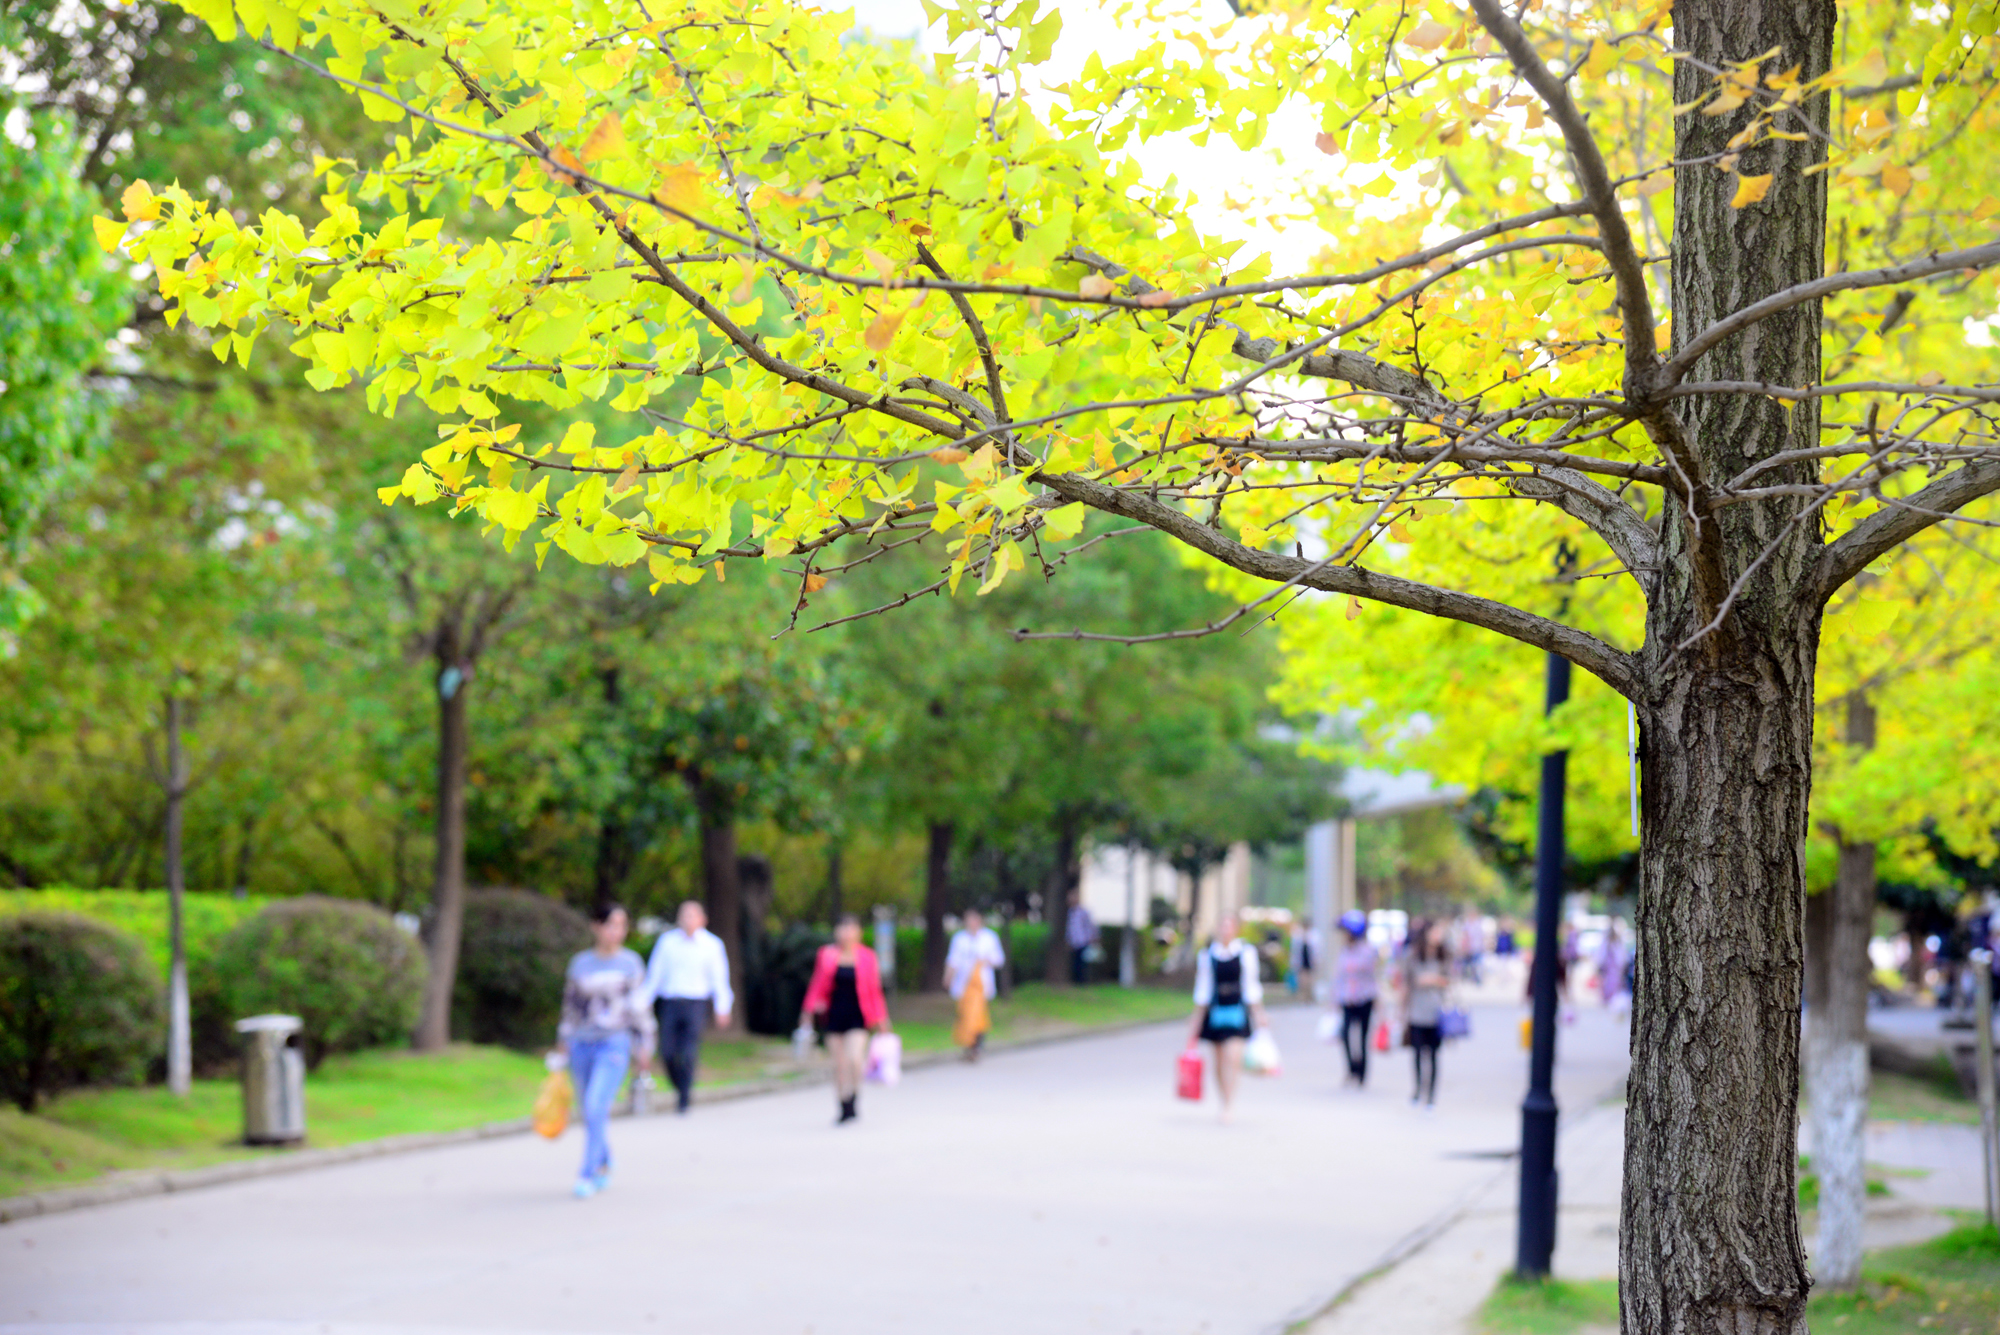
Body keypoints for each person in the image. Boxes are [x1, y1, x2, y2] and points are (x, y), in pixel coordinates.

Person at [556, 902, 655, 1199]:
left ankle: (588, 1172)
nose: (617, 932)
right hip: (581, 1044)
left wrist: (645, 1045)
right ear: (596, 926)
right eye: (611, 924)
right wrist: (563, 1041)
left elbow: (640, 1008)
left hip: (614, 1042)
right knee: (588, 1109)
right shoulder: (580, 964)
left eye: (622, 925)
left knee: (597, 1106)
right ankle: (604, 1157)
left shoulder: (630, 963)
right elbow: (570, 1008)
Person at [800, 913, 892, 1124]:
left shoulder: (868, 957)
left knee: (855, 1059)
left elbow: (875, 990)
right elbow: (817, 984)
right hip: (833, 1014)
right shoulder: (827, 954)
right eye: (843, 928)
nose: (847, 933)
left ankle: (854, 1094)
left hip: (859, 1015)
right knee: (838, 1064)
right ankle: (843, 1103)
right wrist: (808, 1011)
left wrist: (882, 1019)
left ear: (858, 932)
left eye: (851, 928)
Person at [644, 900, 733, 1114]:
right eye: (685, 915)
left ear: (702, 919)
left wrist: (723, 1007)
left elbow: (719, 980)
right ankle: (679, 1086)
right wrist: (643, 1002)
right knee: (667, 1051)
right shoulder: (667, 942)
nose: (688, 920)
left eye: (693, 915)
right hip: (671, 1003)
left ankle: (684, 1096)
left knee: (688, 1051)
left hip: (696, 1004)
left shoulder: (713, 945)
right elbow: (654, 976)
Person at [1185, 912, 1266, 1122]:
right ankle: (1223, 1100)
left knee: (1233, 1057)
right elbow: (1203, 989)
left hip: (1237, 1011)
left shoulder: (1246, 953)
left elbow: (1251, 985)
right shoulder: (1208, 955)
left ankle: (1230, 1103)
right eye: (1222, 925)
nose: (1225, 929)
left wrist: (1259, 1013)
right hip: (1215, 1011)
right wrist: (1196, 1019)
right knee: (1219, 1060)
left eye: (1229, 925)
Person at [1400, 919, 1451, 1109]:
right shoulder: (1412, 956)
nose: (1438, 936)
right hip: (1417, 1012)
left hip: (1437, 1012)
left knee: (1434, 1055)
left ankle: (1431, 1095)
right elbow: (1406, 983)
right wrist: (1401, 1010)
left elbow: (1450, 980)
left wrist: (1434, 980)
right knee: (1417, 1054)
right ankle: (1418, 1090)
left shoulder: (1443, 956)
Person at [945, 909, 1005, 1060]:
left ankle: (977, 1046)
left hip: (981, 985)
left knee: (979, 1016)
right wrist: (948, 977)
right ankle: (967, 1045)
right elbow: (953, 960)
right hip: (963, 985)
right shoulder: (959, 939)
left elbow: (999, 959)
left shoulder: (989, 938)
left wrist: (985, 961)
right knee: (965, 1016)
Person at [1331, 910, 1379, 1086]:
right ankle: (1351, 1069)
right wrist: (1333, 1000)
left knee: (1363, 1038)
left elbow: (1373, 978)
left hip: (1364, 999)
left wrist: (1379, 1004)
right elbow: (1338, 977)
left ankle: (1362, 1073)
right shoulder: (1344, 951)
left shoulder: (1367, 951)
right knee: (1345, 1035)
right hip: (1347, 1000)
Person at [1066, 900, 1099, 985]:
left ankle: (1082, 982)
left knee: (1082, 963)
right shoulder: (1069, 913)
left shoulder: (1083, 912)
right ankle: (1075, 981)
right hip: (1073, 942)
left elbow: (1090, 925)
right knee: (1075, 963)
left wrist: (1093, 937)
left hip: (1083, 941)